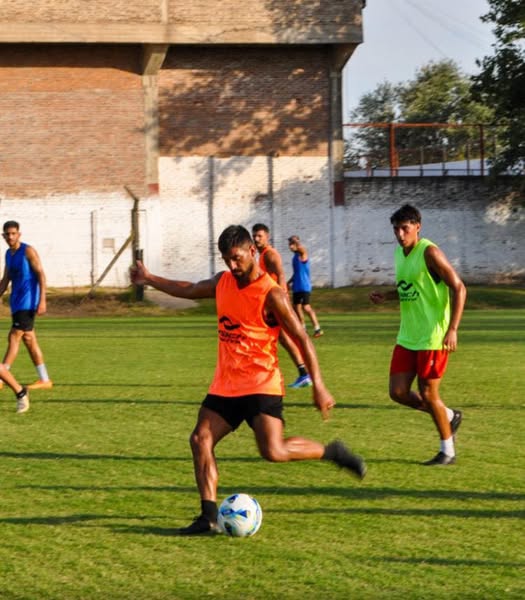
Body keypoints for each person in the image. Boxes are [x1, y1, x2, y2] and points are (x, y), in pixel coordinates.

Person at [130, 225, 366, 535]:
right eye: (227, 259)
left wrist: (318, 385)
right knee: (200, 439)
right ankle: (209, 517)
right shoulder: (223, 282)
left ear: (252, 252)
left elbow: (302, 338)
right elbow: (188, 289)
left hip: (261, 384)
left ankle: (330, 452)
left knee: (274, 451)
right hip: (225, 385)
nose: (232, 265)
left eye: (237, 258)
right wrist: (150, 279)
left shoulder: (273, 294)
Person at [370, 204, 466, 466]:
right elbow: (409, 287)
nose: (400, 234)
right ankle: (447, 416)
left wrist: (453, 329)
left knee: (428, 394)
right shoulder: (400, 253)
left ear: (418, 227)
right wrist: (387, 296)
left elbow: (459, 287)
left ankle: (448, 452)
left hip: (432, 337)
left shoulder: (430, 252)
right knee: (398, 392)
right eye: (396, 229)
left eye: (405, 228)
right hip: (408, 336)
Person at [252, 223, 311, 389]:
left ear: (267, 237)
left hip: (275, 303)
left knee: (288, 337)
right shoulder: (263, 255)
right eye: (254, 236)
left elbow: (280, 274)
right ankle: (303, 373)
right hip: (271, 303)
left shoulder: (270, 254)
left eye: (260, 236)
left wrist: (281, 300)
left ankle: (305, 373)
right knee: (283, 338)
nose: (256, 239)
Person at [0, 221, 53, 390]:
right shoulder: (8, 254)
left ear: (19, 234)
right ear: (3, 236)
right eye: (7, 234)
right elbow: (5, 279)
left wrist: (42, 299)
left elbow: (41, 275)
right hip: (16, 303)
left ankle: (2, 377)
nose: (10, 237)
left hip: (28, 302)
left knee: (14, 336)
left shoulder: (28, 251)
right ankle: (44, 379)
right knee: (29, 340)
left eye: (13, 233)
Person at [287, 235, 323, 337]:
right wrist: (288, 282)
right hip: (297, 287)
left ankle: (317, 328)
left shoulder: (302, 255)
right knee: (296, 307)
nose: (290, 247)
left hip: (304, 286)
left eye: (292, 244)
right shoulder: (294, 258)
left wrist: (297, 243)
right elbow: (296, 273)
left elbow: (302, 250)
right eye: (289, 244)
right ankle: (303, 329)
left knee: (306, 307)